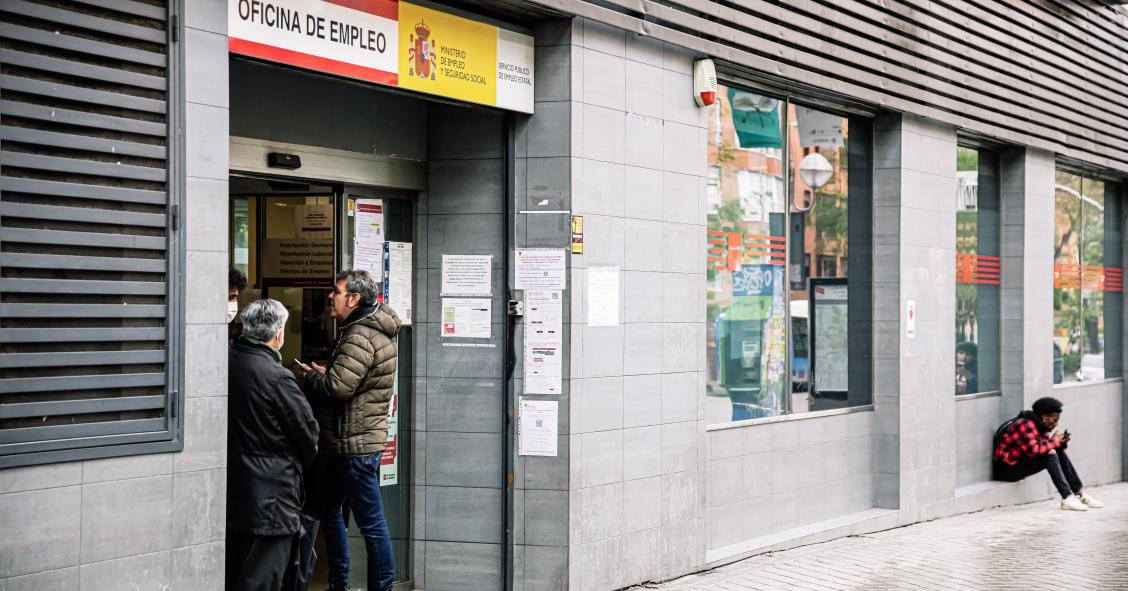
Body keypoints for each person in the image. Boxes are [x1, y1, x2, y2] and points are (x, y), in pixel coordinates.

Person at [301, 269, 400, 591]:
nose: (331, 296)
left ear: (354, 299)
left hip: (354, 444)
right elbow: (354, 380)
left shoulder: (359, 334)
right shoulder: (369, 329)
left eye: (337, 291)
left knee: (370, 522)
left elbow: (339, 389)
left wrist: (314, 378)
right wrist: (331, 372)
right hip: (354, 441)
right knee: (331, 510)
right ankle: (338, 583)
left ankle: (377, 586)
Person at [226, 299, 319, 590]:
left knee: (236, 571)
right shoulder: (278, 377)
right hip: (272, 497)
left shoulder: (227, 362)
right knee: (265, 577)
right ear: (278, 334)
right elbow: (308, 436)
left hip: (234, 490)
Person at [992, 396, 1103, 511]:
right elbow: (1034, 451)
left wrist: (1060, 442)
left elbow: (1045, 446)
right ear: (1044, 417)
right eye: (1054, 420)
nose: (1056, 424)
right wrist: (1054, 441)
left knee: (1055, 450)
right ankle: (1067, 497)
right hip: (1006, 470)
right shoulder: (1024, 425)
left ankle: (1079, 493)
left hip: (1017, 465)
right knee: (1049, 454)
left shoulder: (1038, 425)